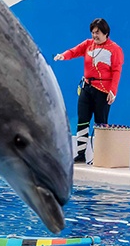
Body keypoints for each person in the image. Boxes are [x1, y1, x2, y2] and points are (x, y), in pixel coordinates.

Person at [53, 17, 124, 164]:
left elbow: (117, 71)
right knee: (82, 121)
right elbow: (74, 51)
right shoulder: (88, 45)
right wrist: (63, 56)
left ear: (106, 33)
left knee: (100, 123)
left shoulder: (114, 49)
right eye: (93, 32)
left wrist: (113, 91)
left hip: (103, 90)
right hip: (87, 88)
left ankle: (100, 156)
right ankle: (80, 154)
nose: (94, 36)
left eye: (97, 33)